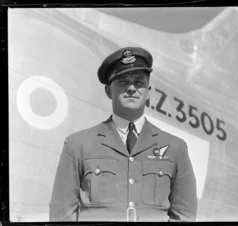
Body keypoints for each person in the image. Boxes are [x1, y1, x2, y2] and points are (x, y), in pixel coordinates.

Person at [49, 47, 197, 222]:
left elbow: (184, 216)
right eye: (122, 82)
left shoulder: (175, 148)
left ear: (148, 92)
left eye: (139, 82)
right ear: (108, 91)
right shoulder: (78, 145)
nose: (132, 88)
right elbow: (61, 216)